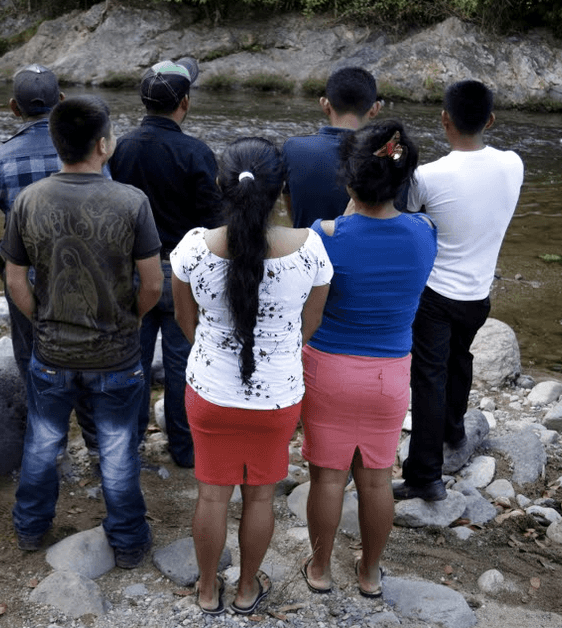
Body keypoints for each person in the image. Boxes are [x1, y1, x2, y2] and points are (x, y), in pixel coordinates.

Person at [171, 138, 332, 615]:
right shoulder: (309, 249)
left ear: (221, 185)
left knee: (211, 495)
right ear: (281, 189)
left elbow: (185, 322)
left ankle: (206, 591)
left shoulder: (194, 248)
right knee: (260, 497)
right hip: (278, 397)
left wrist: (213, 350)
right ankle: (245, 590)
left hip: (210, 393)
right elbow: (309, 326)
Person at [1, 95, 163, 567]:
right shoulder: (132, 201)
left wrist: (42, 320)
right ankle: (128, 541)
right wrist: (130, 319)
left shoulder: (28, 200)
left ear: (57, 144)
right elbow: (153, 283)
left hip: (52, 353)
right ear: (103, 145)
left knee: (41, 445)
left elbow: (14, 280)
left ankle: (30, 528)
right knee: (117, 451)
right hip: (116, 355)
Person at [298, 120, 437, 598]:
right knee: (377, 481)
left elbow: (311, 294)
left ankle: (320, 569)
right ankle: (371, 573)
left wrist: (350, 204)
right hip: (389, 374)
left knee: (327, 478)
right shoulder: (424, 233)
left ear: (349, 180)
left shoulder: (324, 235)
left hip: (328, 369)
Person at [395, 80, 524, 502]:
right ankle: (454, 431)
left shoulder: (428, 176)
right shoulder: (513, 164)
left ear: (444, 119)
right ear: (491, 120)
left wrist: (393, 159)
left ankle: (424, 475)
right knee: (460, 357)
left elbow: (403, 214)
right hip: (478, 295)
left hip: (434, 294)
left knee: (428, 377)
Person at [0, 64, 96, 466]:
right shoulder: (88, 151)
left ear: (14, 107)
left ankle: (51, 448)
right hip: (87, 281)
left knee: (33, 361)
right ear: (61, 101)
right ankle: (99, 446)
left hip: (25, 281)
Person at [110, 57, 222, 469]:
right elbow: (215, 222)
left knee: (133, 361)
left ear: (143, 102)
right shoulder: (196, 153)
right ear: (185, 103)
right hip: (183, 273)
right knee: (182, 363)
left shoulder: (120, 148)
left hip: (132, 271)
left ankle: (130, 440)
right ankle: (184, 447)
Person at [282, 66, 382, 229]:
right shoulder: (392, 157)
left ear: (325, 105)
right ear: (375, 109)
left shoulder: (293, 149)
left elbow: (291, 209)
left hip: (308, 243)